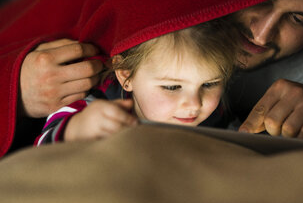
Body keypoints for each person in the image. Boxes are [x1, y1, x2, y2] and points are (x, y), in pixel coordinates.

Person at [0, 0, 303, 157]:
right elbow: (56, 138)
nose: (261, 34)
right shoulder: (110, 84)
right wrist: (15, 90)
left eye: (300, 19)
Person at [34, 18, 238, 145]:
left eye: (210, 84)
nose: (195, 104)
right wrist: (78, 128)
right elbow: (41, 151)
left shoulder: (216, 116)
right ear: (126, 75)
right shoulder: (94, 104)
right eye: (172, 87)